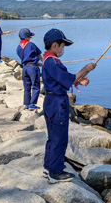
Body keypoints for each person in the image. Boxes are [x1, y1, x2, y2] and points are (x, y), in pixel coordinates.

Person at [41, 28, 96, 184]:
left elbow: (62, 79)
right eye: (62, 46)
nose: (62, 49)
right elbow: (68, 79)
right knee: (59, 138)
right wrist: (85, 69)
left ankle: (48, 167)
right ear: (55, 45)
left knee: (52, 137)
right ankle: (55, 173)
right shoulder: (52, 62)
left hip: (52, 101)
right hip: (57, 103)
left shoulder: (48, 59)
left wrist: (79, 80)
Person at [16, 28, 43, 110]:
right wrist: (44, 62)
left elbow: (24, 57)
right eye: (29, 36)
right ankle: (32, 103)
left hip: (25, 67)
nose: (30, 38)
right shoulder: (31, 44)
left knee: (27, 86)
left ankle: (26, 103)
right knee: (36, 86)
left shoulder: (19, 47)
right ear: (27, 37)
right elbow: (38, 54)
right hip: (33, 68)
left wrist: (33, 62)